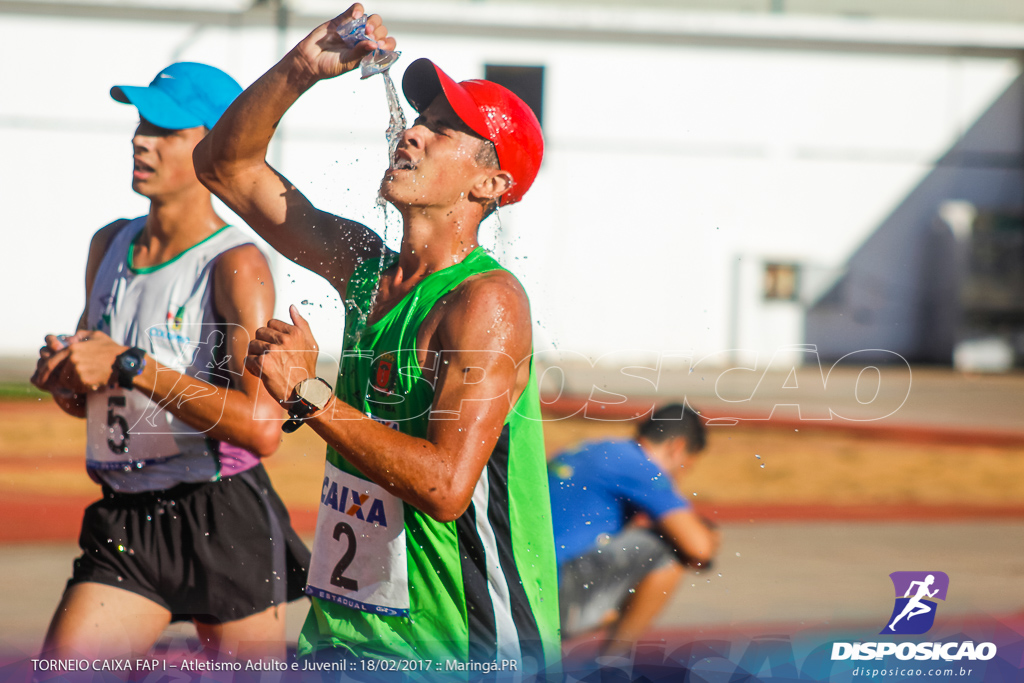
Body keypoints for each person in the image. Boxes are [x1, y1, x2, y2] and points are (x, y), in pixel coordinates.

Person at [192, 2, 560, 676]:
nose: (414, 133)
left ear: (491, 183)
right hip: (348, 633)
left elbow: (448, 486)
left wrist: (307, 393)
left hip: (460, 647)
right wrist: (302, 69)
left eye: (444, 130)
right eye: (420, 119)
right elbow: (224, 167)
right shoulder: (364, 267)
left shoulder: (487, 301)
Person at [30, 62, 310, 665]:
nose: (140, 139)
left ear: (217, 144)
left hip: (223, 514)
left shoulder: (236, 265)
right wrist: (66, 381)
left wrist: (130, 363)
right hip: (126, 516)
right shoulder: (108, 244)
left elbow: (262, 428)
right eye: (140, 123)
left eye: (165, 129)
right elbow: (97, 403)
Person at [548, 404, 718, 656]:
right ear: (677, 448)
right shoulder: (639, 467)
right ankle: (611, 666)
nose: (680, 478)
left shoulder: (592, 449)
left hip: (523, 581)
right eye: (685, 467)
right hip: (551, 595)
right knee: (666, 550)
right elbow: (698, 548)